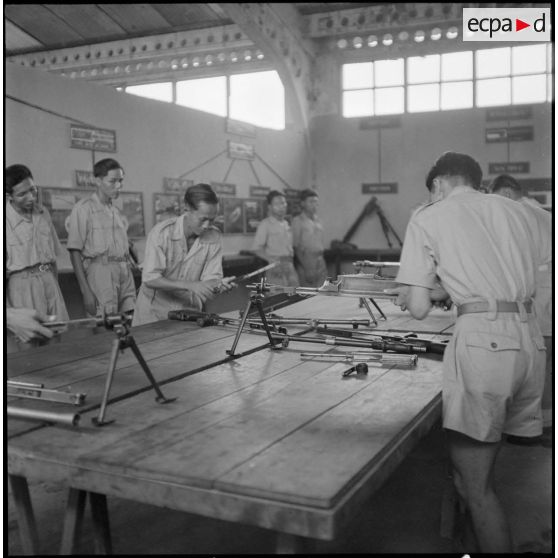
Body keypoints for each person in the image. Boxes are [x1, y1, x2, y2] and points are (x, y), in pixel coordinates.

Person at [390, 152, 550, 553]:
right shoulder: (520, 211)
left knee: (478, 489)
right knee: (471, 478)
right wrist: (455, 289)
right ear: (476, 181)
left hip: (485, 345)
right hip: (530, 341)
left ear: (438, 184)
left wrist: (413, 293)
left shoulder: (429, 214)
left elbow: (420, 308)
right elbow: (502, 272)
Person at [490, 174, 553, 447]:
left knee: (536, 364)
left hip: (538, 298)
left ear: (504, 194)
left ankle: (533, 427)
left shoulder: (518, 215)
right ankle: (543, 424)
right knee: (547, 363)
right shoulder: (542, 212)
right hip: (546, 294)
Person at [132, 183, 235, 326]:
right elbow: (150, 279)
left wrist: (217, 286)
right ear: (187, 208)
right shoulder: (162, 233)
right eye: (202, 219)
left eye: (211, 220)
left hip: (189, 315)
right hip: (153, 315)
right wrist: (191, 285)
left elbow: (210, 280)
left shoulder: (214, 237)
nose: (207, 225)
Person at [67, 158, 136, 317]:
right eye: (112, 181)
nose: (118, 186)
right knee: (105, 329)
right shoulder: (84, 209)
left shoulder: (115, 212)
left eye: (121, 181)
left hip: (124, 271)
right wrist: (86, 291)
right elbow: (74, 251)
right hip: (101, 273)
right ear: (97, 181)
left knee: (129, 324)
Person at [5, 164, 69, 321]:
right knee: (31, 341)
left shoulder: (43, 213)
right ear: (9, 196)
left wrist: (55, 286)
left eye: (32, 189)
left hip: (49, 279)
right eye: (22, 194)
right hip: (21, 287)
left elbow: (52, 257)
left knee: (57, 335)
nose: (31, 197)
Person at [252, 190, 299, 286]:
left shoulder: (286, 224)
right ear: (270, 207)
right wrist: (272, 261)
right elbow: (256, 249)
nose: (281, 206)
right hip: (275, 267)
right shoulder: (265, 224)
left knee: (296, 297)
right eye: (277, 204)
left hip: (290, 266)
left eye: (283, 203)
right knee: (278, 298)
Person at [291, 189, 327, 287]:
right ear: (302, 203)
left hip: (320, 261)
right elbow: (296, 247)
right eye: (311, 201)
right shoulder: (297, 221)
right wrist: (307, 268)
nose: (314, 205)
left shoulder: (318, 220)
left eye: (316, 202)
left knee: (322, 293)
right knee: (308, 295)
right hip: (306, 261)